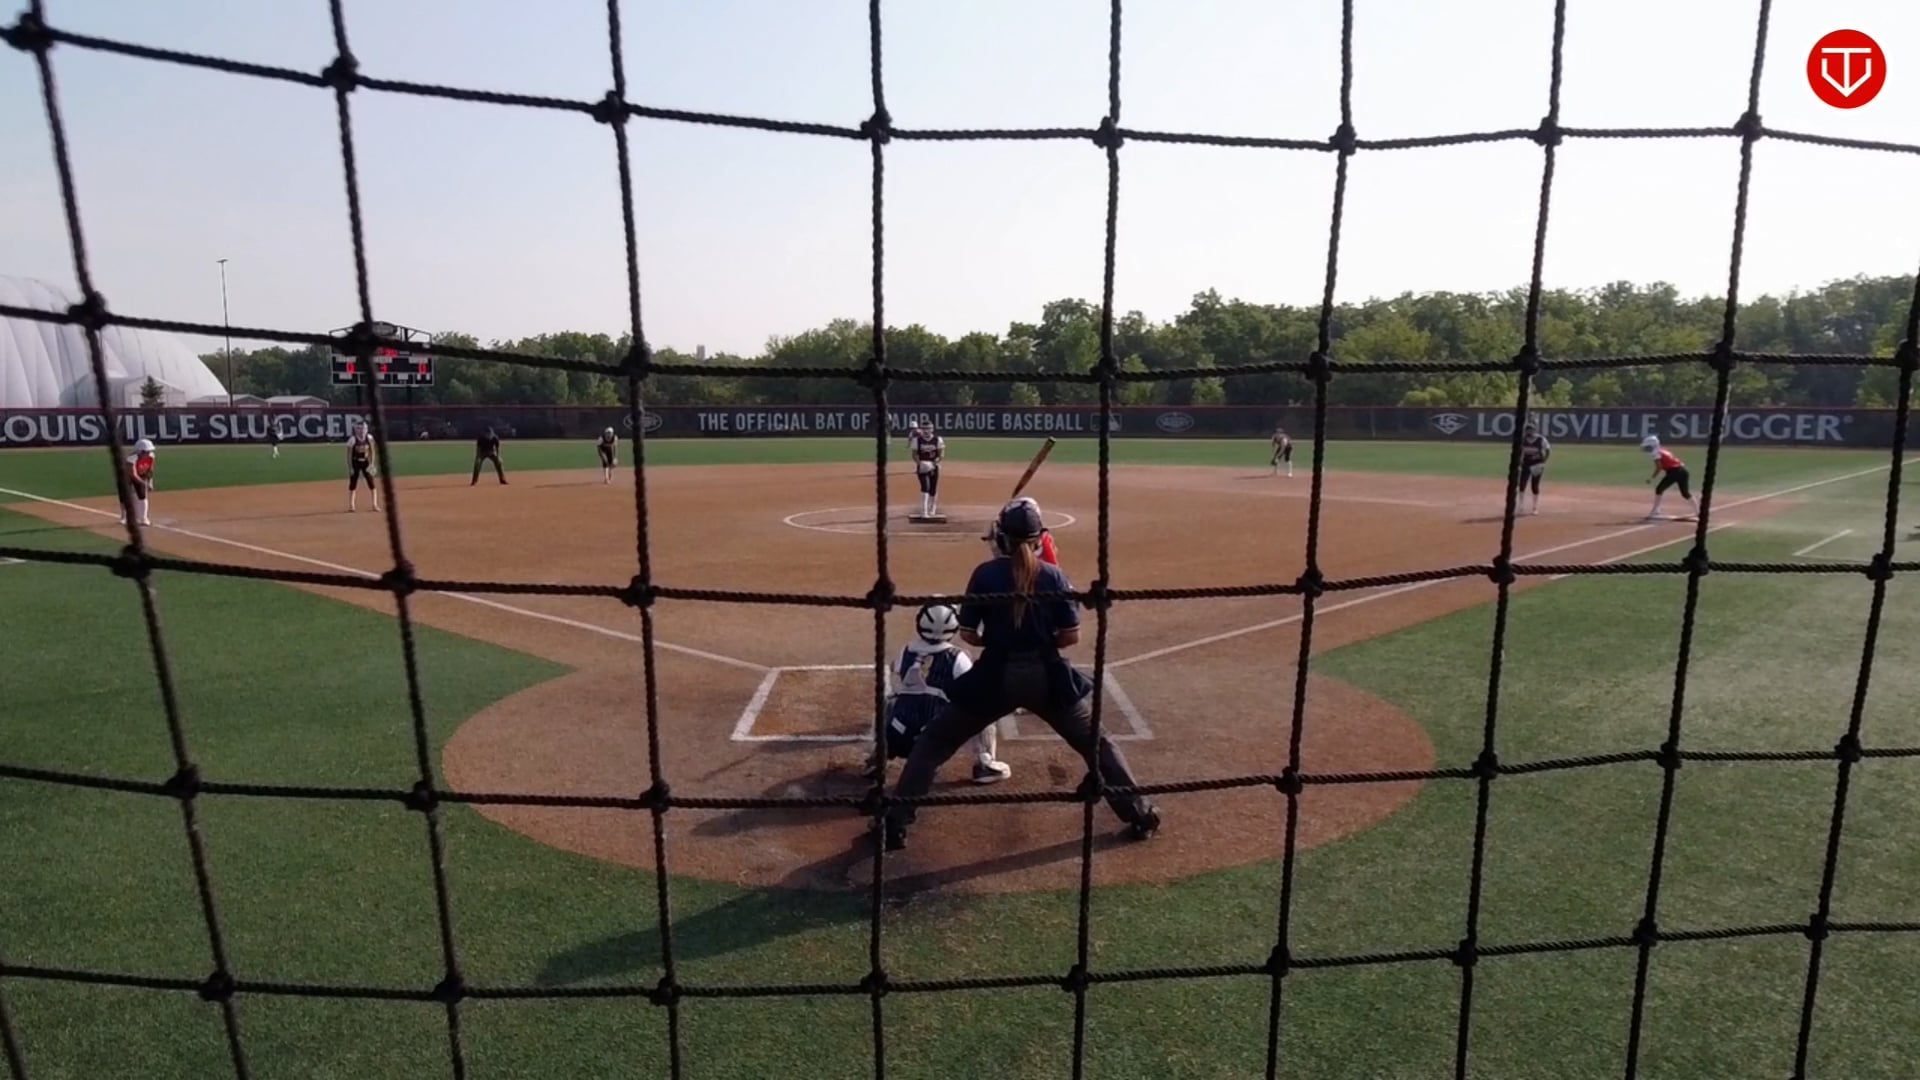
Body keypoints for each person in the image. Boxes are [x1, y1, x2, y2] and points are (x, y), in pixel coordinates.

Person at [880, 498, 1160, 850]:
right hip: (1047, 677)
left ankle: (895, 824)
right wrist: (1039, 640)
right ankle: (1140, 815)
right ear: (1039, 537)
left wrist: (997, 640)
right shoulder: (1053, 575)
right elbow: (1070, 636)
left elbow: (968, 633)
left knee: (934, 743)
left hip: (994, 676)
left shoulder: (985, 574)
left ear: (1002, 537)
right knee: (1097, 744)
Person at [872, 602, 1012, 785]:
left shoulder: (905, 651)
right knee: (981, 704)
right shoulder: (958, 657)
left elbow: (896, 673)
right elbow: (971, 688)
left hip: (899, 738)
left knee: (888, 701)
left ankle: (877, 757)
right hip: (934, 742)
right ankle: (984, 764)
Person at [1640, 435, 1697, 521]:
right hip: (1683, 471)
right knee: (1685, 493)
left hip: (1674, 472)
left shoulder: (1656, 453)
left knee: (1659, 489)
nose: (1647, 449)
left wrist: (1652, 478)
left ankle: (1655, 511)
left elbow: (1659, 467)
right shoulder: (1663, 450)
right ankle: (1698, 511)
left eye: (1648, 446)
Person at [909, 421, 945, 517]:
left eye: (928, 428)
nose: (926, 431)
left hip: (934, 466)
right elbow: (914, 454)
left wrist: (933, 464)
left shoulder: (938, 439)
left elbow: (941, 454)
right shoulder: (917, 440)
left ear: (932, 429)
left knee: (933, 488)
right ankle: (924, 511)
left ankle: (932, 508)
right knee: (925, 487)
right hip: (922, 467)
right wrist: (920, 463)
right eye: (924, 428)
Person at [118, 438, 156, 526]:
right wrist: (143, 483)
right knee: (125, 496)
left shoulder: (151, 456)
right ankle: (124, 517)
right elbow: (132, 474)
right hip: (126, 477)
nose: (149, 453)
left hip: (140, 474)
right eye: (146, 451)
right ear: (140, 451)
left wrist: (150, 482)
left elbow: (150, 470)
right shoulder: (131, 458)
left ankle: (144, 518)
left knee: (142, 495)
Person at [1518, 420, 1551, 515]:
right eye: (1527, 430)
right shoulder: (1523, 440)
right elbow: (1520, 451)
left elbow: (1548, 449)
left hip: (1537, 463)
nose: (1529, 432)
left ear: (1534, 430)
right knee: (1522, 484)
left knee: (1534, 485)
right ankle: (1521, 506)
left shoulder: (1541, 439)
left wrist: (1545, 460)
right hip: (1526, 463)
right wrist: (1520, 461)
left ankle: (1534, 507)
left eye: (1531, 430)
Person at [347, 420, 380, 513]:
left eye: (364, 428)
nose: (362, 431)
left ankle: (374, 504)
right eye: (359, 428)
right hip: (355, 462)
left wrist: (372, 464)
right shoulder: (352, 439)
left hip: (366, 462)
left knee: (371, 483)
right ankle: (351, 505)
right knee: (353, 483)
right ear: (356, 430)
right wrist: (350, 468)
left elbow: (372, 451)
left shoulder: (369, 438)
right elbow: (349, 455)